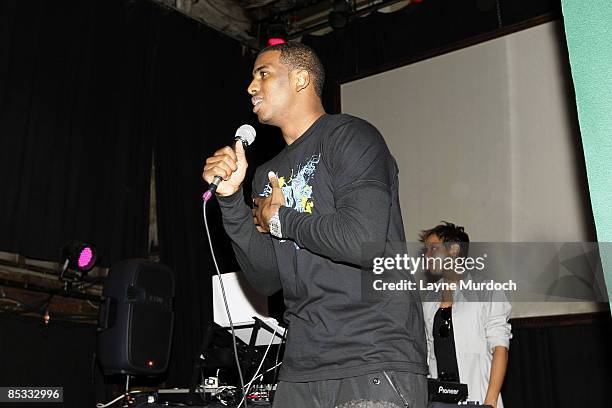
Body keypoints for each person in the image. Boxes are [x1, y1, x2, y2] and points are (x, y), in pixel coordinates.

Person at [202, 42, 427, 407]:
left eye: (263, 74)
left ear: (301, 78)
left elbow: (361, 240)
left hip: (370, 357)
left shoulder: (350, 136)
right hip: (302, 367)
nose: (251, 87)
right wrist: (231, 200)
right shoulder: (265, 173)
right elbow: (266, 277)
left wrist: (283, 219)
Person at [420, 222, 511, 408]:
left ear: (454, 250)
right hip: (439, 402)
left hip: (478, 398)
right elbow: (429, 354)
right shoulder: (429, 299)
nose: (427, 255)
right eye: (426, 250)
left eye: (433, 248)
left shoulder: (487, 292)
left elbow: (500, 349)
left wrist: (490, 402)